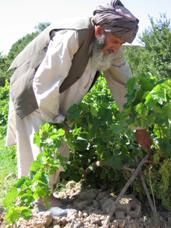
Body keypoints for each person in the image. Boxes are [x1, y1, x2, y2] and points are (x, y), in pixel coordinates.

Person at [6, 0, 151, 193]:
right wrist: (55, 118)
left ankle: (46, 201)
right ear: (99, 31)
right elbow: (46, 81)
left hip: (57, 101)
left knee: (57, 152)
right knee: (38, 151)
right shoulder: (72, 35)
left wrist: (139, 127)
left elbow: (125, 86)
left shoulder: (112, 48)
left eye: (122, 43)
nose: (117, 48)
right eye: (116, 41)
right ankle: (38, 207)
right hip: (35, 96)